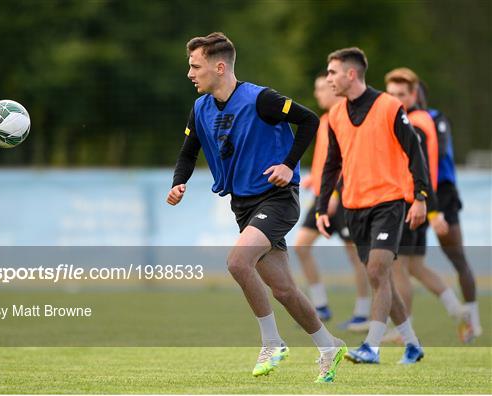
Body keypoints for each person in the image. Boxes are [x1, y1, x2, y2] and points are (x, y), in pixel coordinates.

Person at [167, 32, 346, 383]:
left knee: (237, 262)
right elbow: (189, 152)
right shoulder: (200, 108)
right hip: (243, 205)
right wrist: (178, 182)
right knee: (283, 289)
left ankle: (272, 342)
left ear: (219, 67)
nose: (190, 73)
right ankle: (329, 345)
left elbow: (310, 120)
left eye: (195, 66)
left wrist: (287, 164)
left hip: (277, 199)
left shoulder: (261, 99)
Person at [317, 47, 429, 364]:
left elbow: (415, 152)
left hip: (389, 204)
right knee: (381, 278)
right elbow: (331, 165)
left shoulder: (389, 107)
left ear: (351, 74)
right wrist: (322, 208)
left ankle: (371, 347)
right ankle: (412, 344)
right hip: (355, 207)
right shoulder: (336, 115)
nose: (329, 79)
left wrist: (421, 197)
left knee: (379, 269)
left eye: (332, 73)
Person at [384, 67, 473, 343]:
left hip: (411, 203)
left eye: (402, 94)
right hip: (417, 202)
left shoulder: (415, 124)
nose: (396, 98)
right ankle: (457, 309)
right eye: (391, 93)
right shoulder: (417, 119)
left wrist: (429, 207)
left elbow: (421, 169)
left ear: (414, 95)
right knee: (414, 267)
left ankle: (404, 330)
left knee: (398, 267)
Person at [295, 72, 370, 331]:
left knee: (356, 256)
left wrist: (335, 194)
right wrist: (313, 180)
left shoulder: (346, 117)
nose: (317, 94)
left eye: (321, 89)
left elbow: (348, 162)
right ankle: (320, 306)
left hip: (343, 197)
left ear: (334, 90)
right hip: (322, 195)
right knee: (301, 246)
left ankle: (362, 313)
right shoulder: (326, 119)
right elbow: (326, 162)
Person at [417, 81, 482, 339]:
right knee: (405, 261)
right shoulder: (401, 119)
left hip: (442, 192)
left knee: (457, 257)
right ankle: (406, 327)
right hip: (415, 193)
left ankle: (473, 319)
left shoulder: (436, 118)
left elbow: (439, 150)